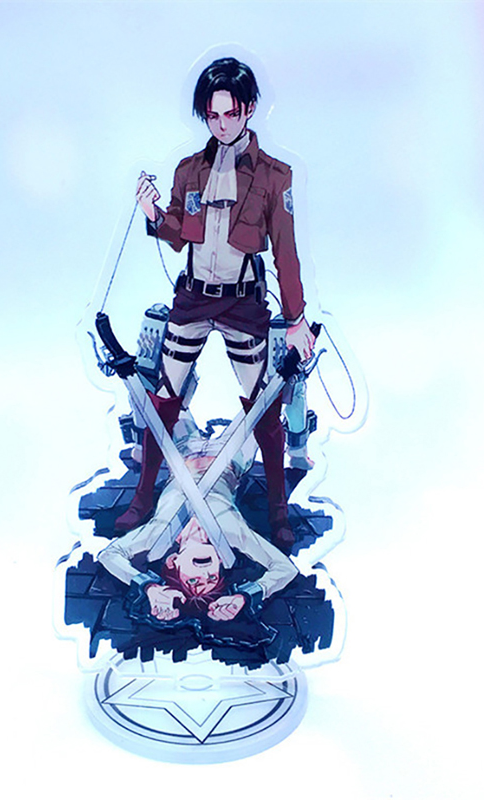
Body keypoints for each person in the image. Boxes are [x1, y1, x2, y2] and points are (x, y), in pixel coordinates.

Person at [115, 57, 315, 553]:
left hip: (243, 304)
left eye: (230, 114)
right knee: (163, 401)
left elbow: (285, 250)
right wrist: (153, 213)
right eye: (212, 115)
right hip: (192, 299)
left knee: (262, 407)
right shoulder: (189, 170)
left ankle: (277, 507)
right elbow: (177, 235)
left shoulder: (274, 176)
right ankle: (142, 496)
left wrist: (296, 319)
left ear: (248, 109)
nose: (221, 124)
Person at [99, 425, 298, 621]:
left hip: (183, 452)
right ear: (220, 560)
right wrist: (245, 596)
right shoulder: (232, 532)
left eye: (193, 581)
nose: (205, 575)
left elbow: (109, 555)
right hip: (232, 456)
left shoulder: (160, 533)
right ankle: (298, 440)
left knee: (162, 406)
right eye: (212, 578)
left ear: (173, 561)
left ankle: (138, 439)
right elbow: (286, 569)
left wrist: (148, 587)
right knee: (263, 409)